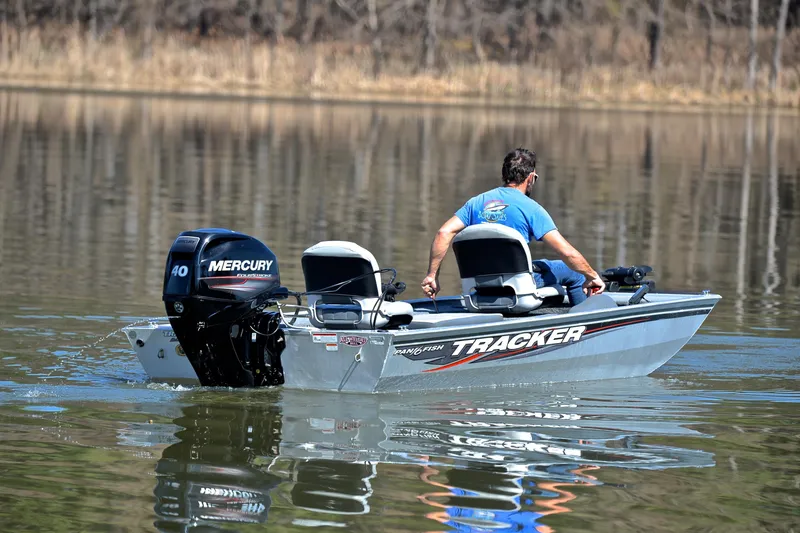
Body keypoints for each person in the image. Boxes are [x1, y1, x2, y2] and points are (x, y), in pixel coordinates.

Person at [420, 147, 605, 306]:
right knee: (575, 272)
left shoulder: (476, 203)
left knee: (544, 265)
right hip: (517, 286)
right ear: (531, 178)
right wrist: (592, 275)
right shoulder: (532, 209)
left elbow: (443, 232)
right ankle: (585, 327)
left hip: (479, 284)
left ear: (504, 174)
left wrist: (432, 275)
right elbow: (567, 253)